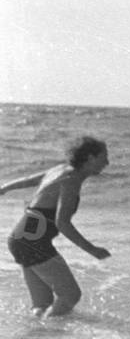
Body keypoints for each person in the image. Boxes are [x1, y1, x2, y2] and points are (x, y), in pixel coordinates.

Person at [1, 136, 111, 317]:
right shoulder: (71, 179)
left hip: (20, 238)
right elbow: (62, 223)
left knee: (42, 305)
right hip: (33, 242)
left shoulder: (60, 170)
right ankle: (49, 333)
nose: (107, 162)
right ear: (90, 158)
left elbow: (28, 179)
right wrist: (92, 250)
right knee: (71, 296)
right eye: (104, 157)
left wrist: (4, 188)